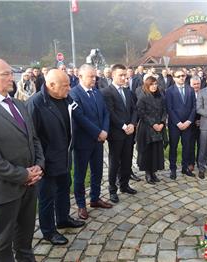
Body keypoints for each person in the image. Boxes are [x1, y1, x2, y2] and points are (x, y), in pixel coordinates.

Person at [0, 58, 45, 261]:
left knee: (25, 239)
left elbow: (34, 139)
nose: (11, 77)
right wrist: (22, 175)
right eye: (5, 74)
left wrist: (38, 166)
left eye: (11, 73)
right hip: (4, 189)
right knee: (2, 244)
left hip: (30, 185)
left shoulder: (19, 104)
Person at [26, 69, 85, 245]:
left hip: (64, 155)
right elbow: (31, 138)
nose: (70, 88)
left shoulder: (66, 98)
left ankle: (63, 218)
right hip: (47, 161)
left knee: (64, 189)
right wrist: (39, 163)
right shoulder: (35, 104)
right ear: (51, 85)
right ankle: (48, 231)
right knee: (46, 197)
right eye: (65, 85)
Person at [70, 64, 112, 220]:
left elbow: (105, 112)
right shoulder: (74, 94)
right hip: (83, 141)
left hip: (99, 141)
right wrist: (98, 132)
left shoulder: (97, 92)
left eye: (95, 76)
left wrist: (105, 131)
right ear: (80, 76)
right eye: (91, 76)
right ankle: (81, 204)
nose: (94, 79)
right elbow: (80, 118)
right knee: (80, 174)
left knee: (98, 171)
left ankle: (95, 198)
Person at [100, 64, 138, 203]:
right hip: (116, 133)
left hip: (129, 132)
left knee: (127, 159)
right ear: (113, 75)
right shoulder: (107, 92)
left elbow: (135, 109)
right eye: (121, 75)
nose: (124, 78)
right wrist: (123, 126)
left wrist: (133, 124)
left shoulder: (128, 91)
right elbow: (110, 112)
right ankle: (112, 189)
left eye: (125, 75)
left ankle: (124, 184)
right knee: (114, 161)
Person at [165, 68, 196, 180]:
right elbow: (169, 108)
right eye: (178, 76)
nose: (181, 78)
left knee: (186, 146)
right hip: (175, 125)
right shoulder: (169, 91)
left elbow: (194, 107)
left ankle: (185, 167)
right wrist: (178, 122)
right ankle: (173, 169)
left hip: (188, 124)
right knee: (173, 147)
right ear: (173, 78)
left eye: (183, 75)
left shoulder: (190, 90)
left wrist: (188, 121)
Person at [136, 76, 167, 184]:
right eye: (151, 84)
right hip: (147, 128)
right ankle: (148, 173)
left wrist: (162, 123)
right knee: (147, 151)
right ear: (147, 85)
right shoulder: (143, 97)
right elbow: (141, 113)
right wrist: (153, 124)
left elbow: (164, 110)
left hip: (159, 127)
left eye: (155, 84)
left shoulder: (160, 96)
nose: (154, 86)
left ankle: (153, 172)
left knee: (156, 151)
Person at [189, 76, 202, 171]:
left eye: (198, 84)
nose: (196, 86)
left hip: (203, 122)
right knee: (191, 144)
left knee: (202, 145)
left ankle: (200, 162)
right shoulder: (188, 94)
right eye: (194, 84)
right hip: (190, 123)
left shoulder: (204, 93)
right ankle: (191, 162)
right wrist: (193, 120)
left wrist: (202, 120)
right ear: (190, 84)